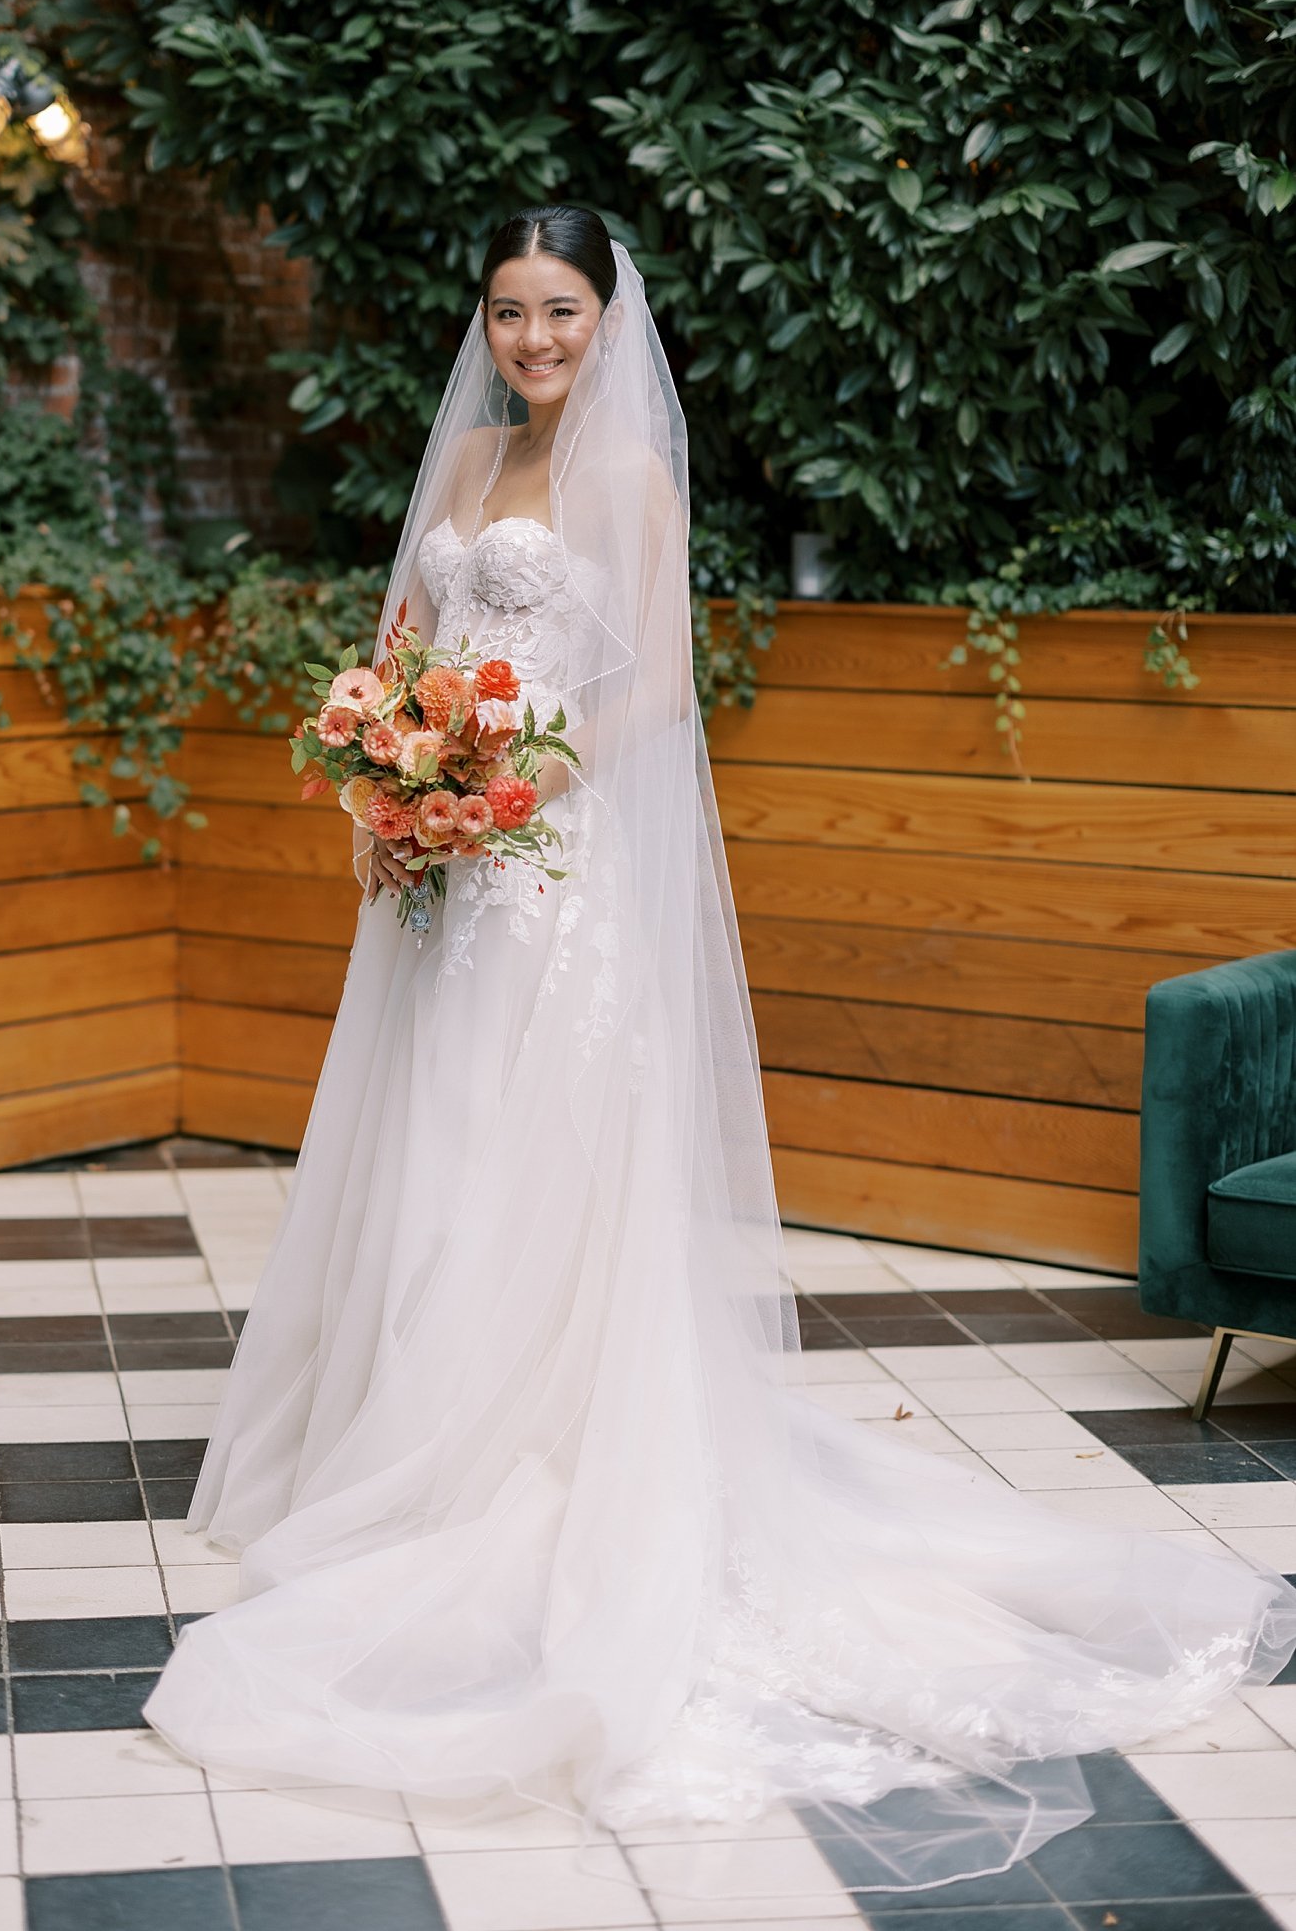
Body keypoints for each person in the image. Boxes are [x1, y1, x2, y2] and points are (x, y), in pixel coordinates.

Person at [142, 206, 1296, 1906]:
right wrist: (391, 799)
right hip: (440, 877)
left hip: (556, 864)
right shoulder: (461, 469)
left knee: (541, 1153)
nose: (533, 340)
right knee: (436, 1138)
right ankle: (401, 1433)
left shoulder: (632, 484)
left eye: (561, 312)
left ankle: (530, 1439)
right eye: (509, 310)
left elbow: (653, 687)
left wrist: (498, 792)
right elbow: (402, 660)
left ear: (609, 321)